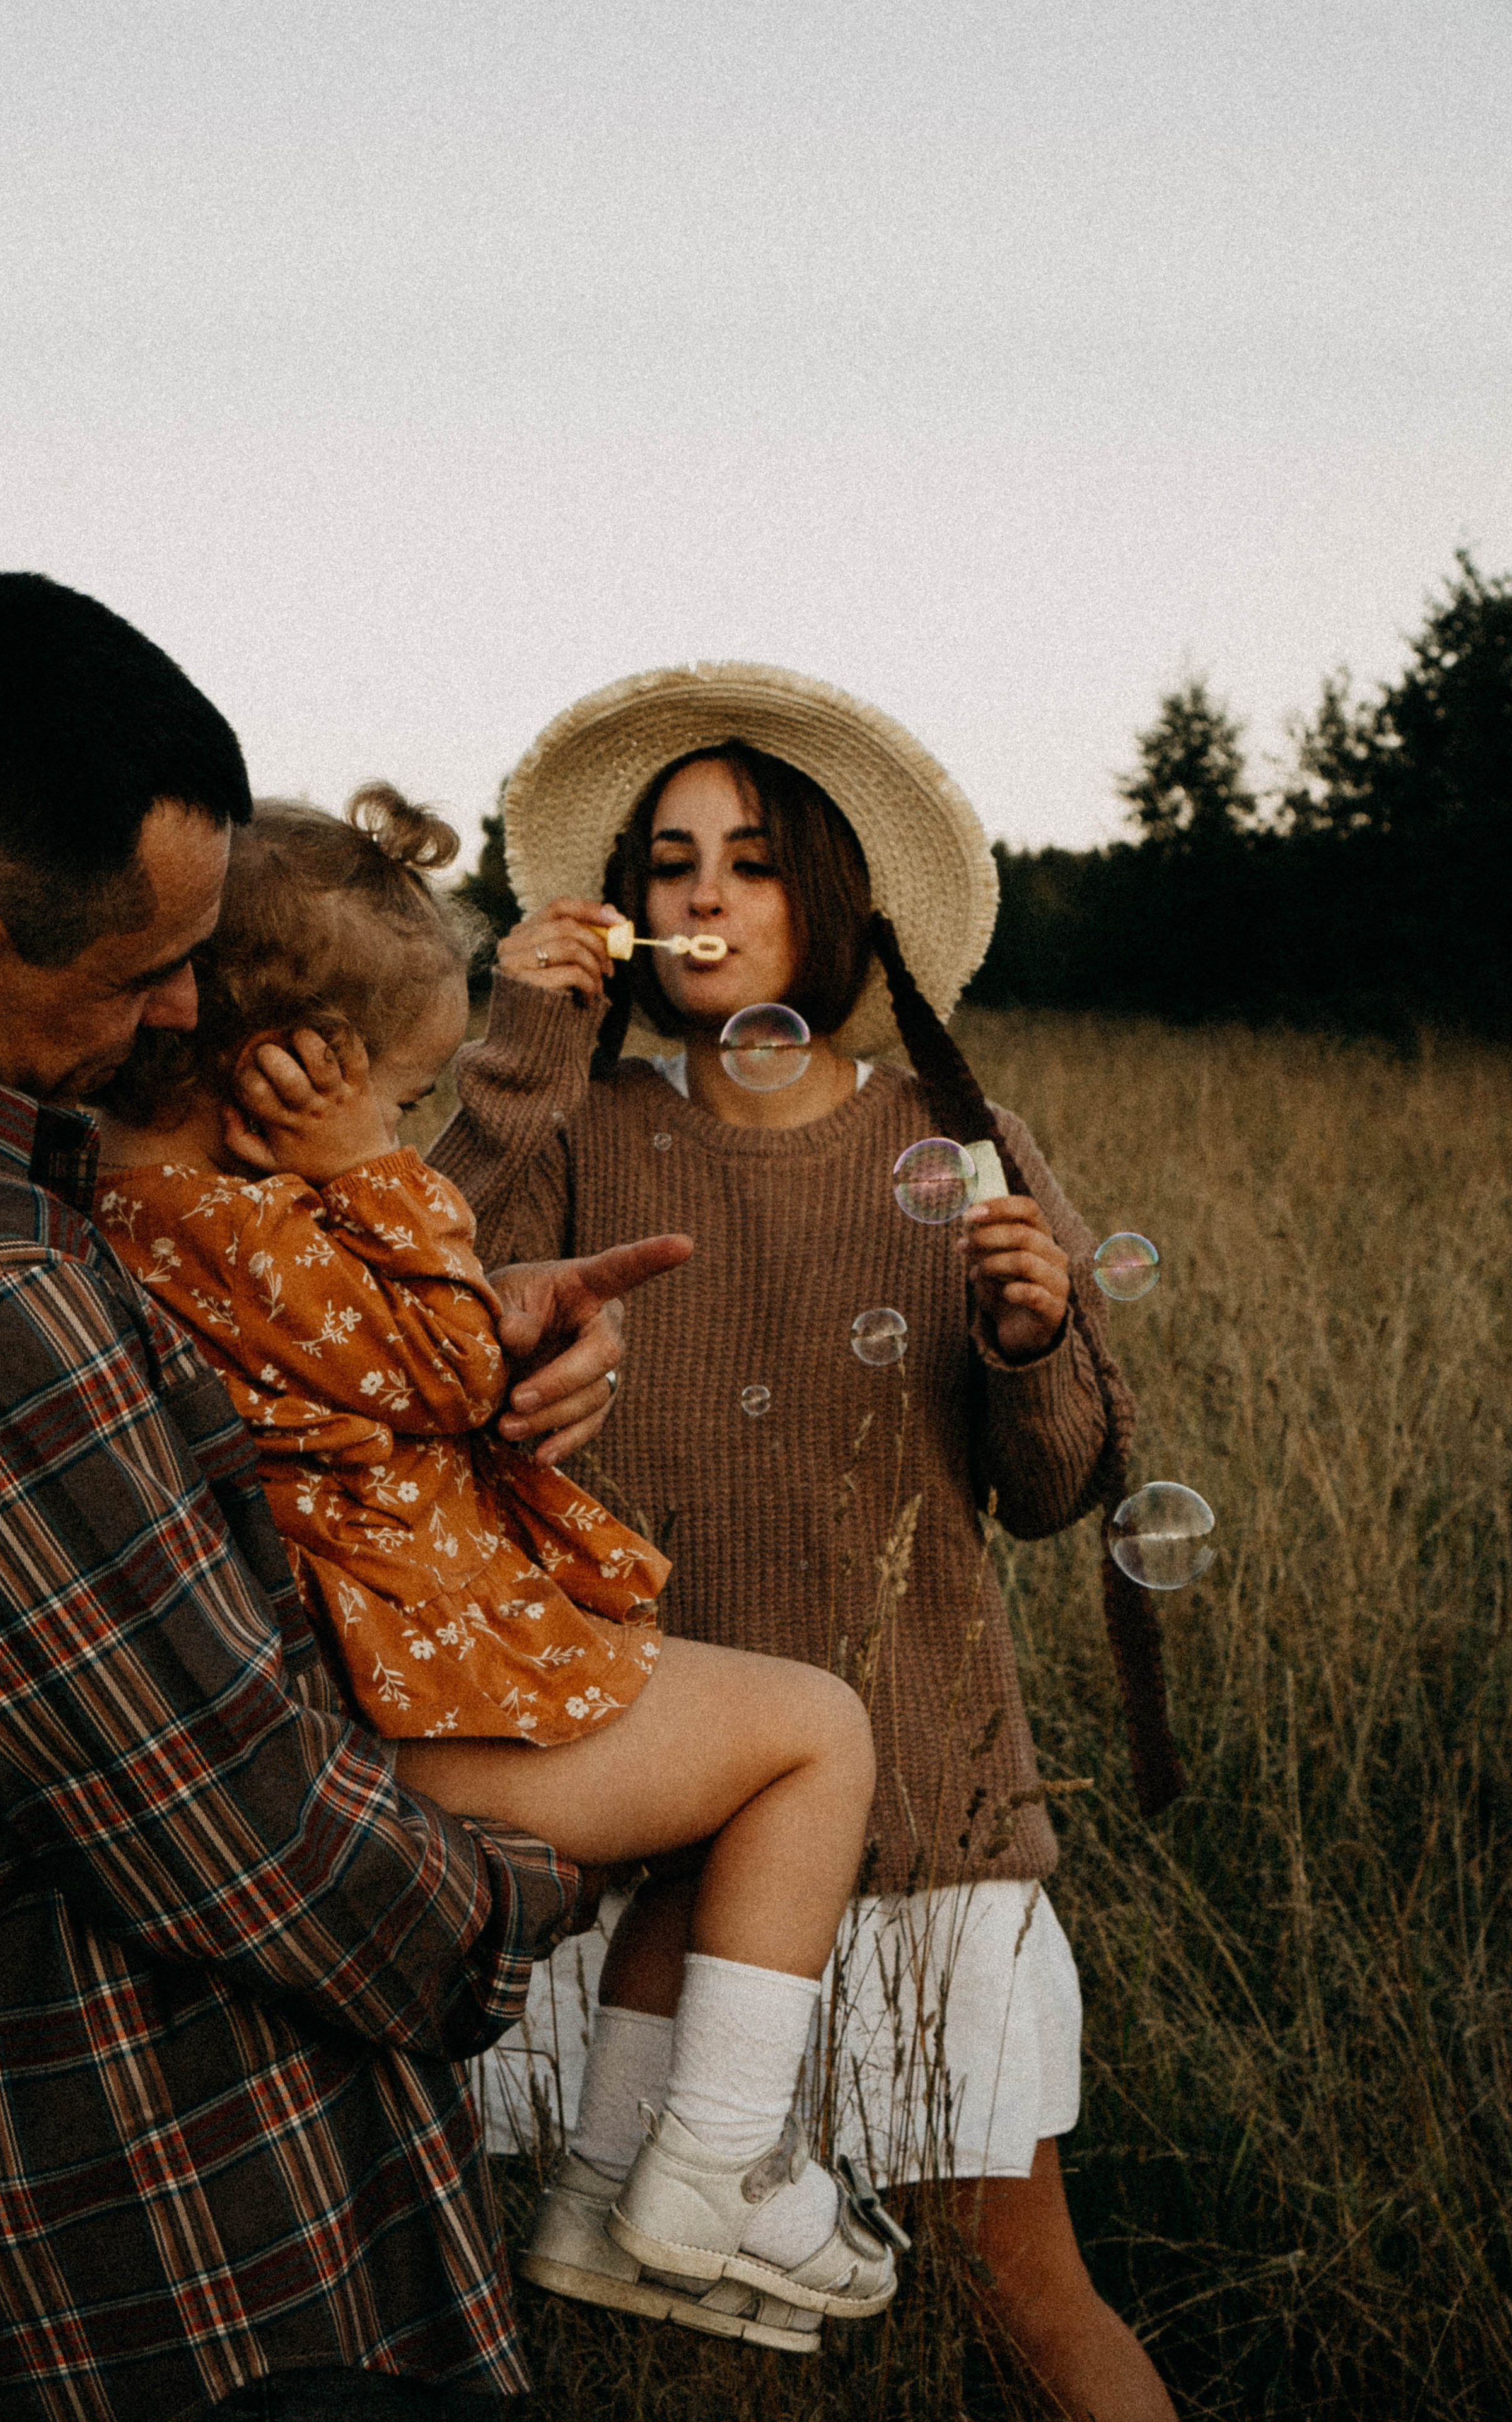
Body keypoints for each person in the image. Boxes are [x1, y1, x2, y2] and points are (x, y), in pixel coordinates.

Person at [0, 572, 666, 2422]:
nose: (186, 1012)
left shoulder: (43, 1193)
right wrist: (556, 1874)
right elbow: (232, 1824)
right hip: (175, 2252)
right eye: (146, 969)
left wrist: (460, 1341)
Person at [431, 663, 1185, 2422]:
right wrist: (523, 1047)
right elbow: (407, 1319)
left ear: (833, 898)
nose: (705, 891)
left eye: (755, 859)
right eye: (671, 858)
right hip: (632, 1837)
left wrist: (1027, 1339)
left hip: (920, 1817)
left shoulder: (958, 1144)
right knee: (603, 2316)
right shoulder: (583, 1132)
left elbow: (1064, 1481)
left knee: (1029, 2293)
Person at [92, 787, 904, 2360]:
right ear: (286, 1069)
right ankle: (722, 2167)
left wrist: (374, 1196)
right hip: (412, 1709)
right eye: (393, 1103)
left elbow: (383, 1360)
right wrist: (376, 1175)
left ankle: (616, 2188)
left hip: (374, 1680)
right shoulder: (222, 1220)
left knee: (715, 1807)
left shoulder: (151, 1205)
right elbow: (446, 1363)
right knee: (816, 1731)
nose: (398, 1140)